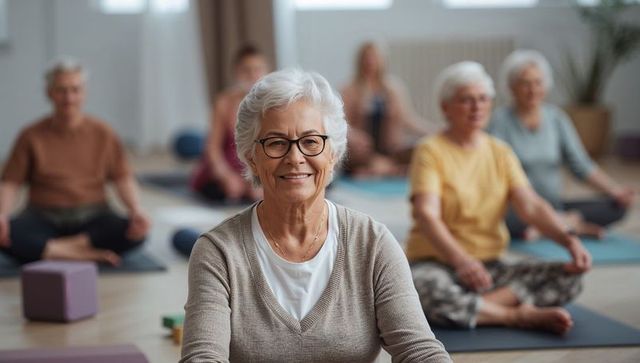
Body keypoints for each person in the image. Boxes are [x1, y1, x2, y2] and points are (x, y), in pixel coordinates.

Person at [180, 69, 451, 362]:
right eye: (276, 142)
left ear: (332, 153)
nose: (295, 157)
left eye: (311, 141)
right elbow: (203, 357)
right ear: (251, 157)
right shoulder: (218, 252)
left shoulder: (372, 242)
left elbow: (418, 349)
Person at [407, 61, 592, 335]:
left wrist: (569, 239)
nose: (477, 107)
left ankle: (477, 309)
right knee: (423, 290)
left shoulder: (500, 151)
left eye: (483, 99)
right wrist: (461, 261)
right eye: (466, 100)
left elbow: (531, 205)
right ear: (445, 107)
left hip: (490, 268)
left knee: (570, 277)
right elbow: (427, 214)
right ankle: (514, 316)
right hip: (439, 264)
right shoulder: (430, 150)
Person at [0, 59, 150, 265]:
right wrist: (2, 214)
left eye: (75, 90)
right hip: (43, 216)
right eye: (61, 90)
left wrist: (136, 209)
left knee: (136, 233)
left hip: (93, 216)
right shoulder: (30, 135)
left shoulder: (103, 133)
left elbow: (122, 177)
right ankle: (84, 253)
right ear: (49, 93)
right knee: (4, 234)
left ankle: (54, 249)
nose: (69, 98)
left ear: (84, 93)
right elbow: (11, 182)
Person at [489, 49, 635, 239]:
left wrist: (616, 191)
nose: (532, 90)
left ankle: (554, 224)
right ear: (511, 87)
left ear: (546, 85)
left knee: (617, 207)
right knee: (495, 218)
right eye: (525, 84)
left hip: (553, 205)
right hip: (519, 210)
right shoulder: (499, 122)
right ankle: (566, 224)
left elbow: (581, 166)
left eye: (538, 82)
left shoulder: (557, 118)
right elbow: (493, 174)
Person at [190, 45, 267, 203]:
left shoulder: (273, 104)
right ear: (237, 72)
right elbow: (212, 148)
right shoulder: (224, 103)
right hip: (228, 166)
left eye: (257, 69)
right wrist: (226, 176)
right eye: (246, 70)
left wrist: (260, 178)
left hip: (258, 168)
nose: (252, 75)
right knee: (227, 192)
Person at [341, 41, 430, 177]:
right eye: (367, 57)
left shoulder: (394, 88)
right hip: (363, 150)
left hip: (391, 148)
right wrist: (354, 135)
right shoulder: (350, 89)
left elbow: (408, 119)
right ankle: (388, 168)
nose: (371, 62)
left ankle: (382, 168)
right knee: (352, 151)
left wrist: (433, 131)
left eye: (375, 57)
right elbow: (340, 123)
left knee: (422, 149)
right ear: (360, 60)